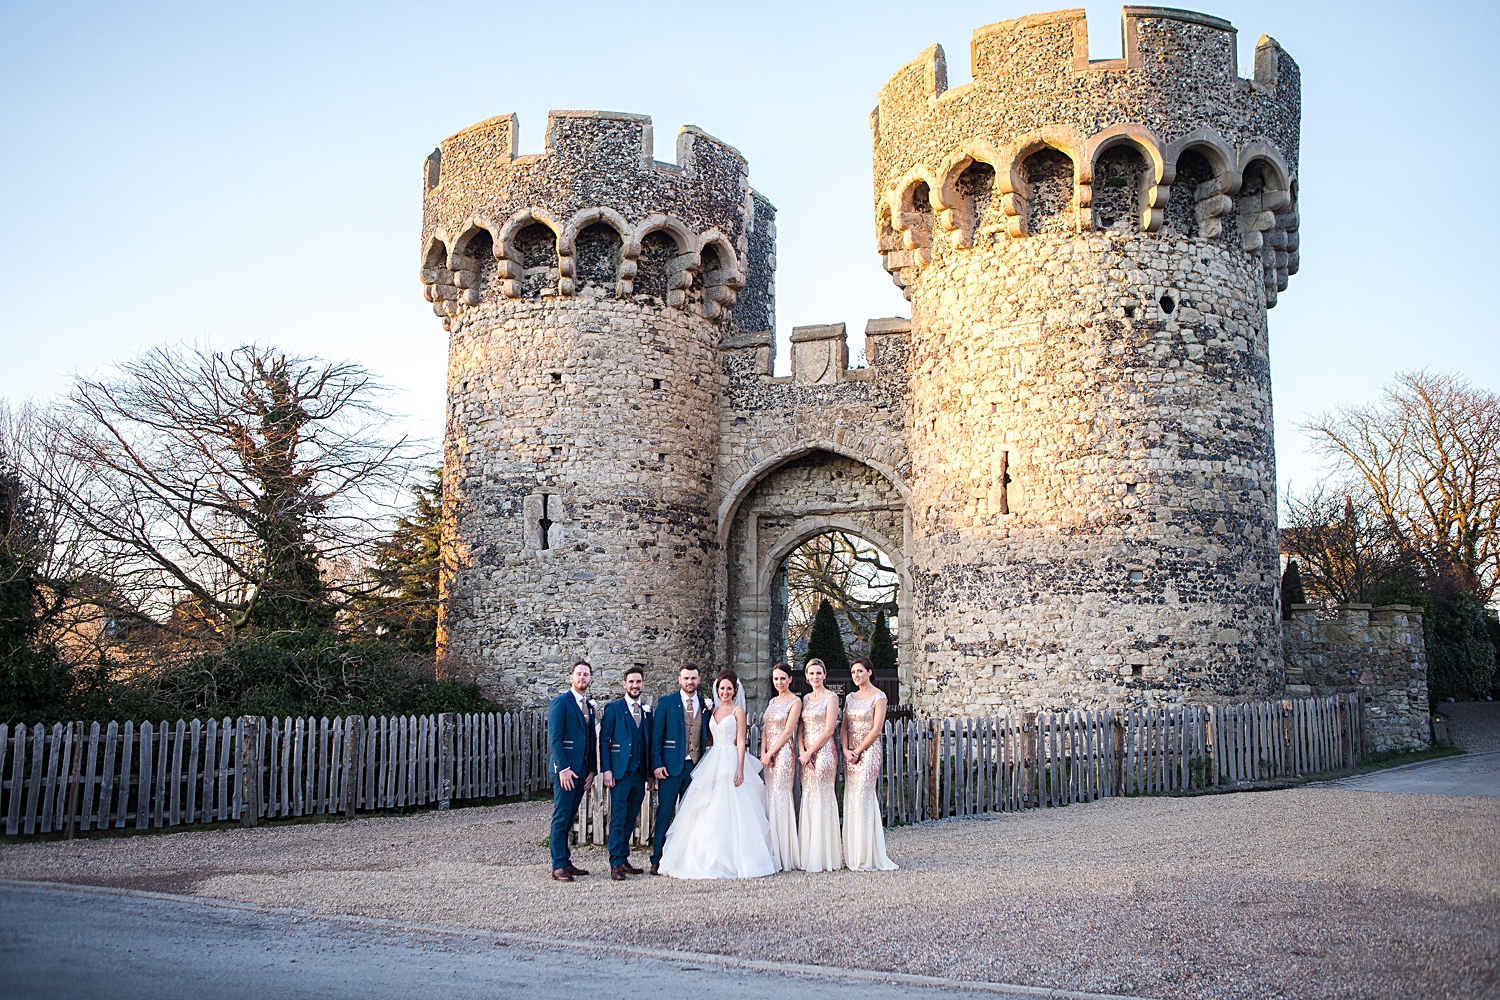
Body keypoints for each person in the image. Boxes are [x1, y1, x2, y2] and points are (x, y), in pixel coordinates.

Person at [658, 669, 776, 879]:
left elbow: (740, 740)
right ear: (717, 690)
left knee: (732, 807)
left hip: (731, 760)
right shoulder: (711, 710)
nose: (725, 692)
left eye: (729, 688)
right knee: (706, 806)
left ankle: (735, 858)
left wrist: (740, 768)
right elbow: (709, 737)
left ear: (734, 690)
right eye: (722, 688)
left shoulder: (737, 711)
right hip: (713, 759)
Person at [649, 663, 711, 876]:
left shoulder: (704, 704)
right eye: (686, 678)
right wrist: (656, 764)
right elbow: (656, 736)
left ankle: (683, 857)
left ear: (699, 680)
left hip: (694, 767)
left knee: (690, 815)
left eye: (693, 678)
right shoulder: (667, 702)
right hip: (670, 767)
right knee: (665, 813)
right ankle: (657, 858)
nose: (690, 682)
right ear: (679, 680)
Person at [841, 657, 897, 871]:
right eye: (854, 672)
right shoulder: (850, 698)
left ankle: (867, 855)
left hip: (869, 751)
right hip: (850, 754)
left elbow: (876, 729)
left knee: (864, 798)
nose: (856, 675)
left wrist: (858, 749)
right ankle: (853, 853)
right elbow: (844, 727)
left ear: (869, 673)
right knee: (852, 798)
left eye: (860, 671)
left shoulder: (879, 697)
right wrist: (846, 750)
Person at [598, 665, 653, 880]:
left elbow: (648, 744)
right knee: (618, 817)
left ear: (643, 684)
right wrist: (607, 770)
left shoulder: (648, 712)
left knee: (631, 817)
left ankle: (623, 857)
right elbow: (604, 740)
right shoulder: (614, 709)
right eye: (631, 682)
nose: (635, 685)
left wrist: (649, 774)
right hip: (620, 773)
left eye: (638, 682)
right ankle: (615, 863)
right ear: (624, 684)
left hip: (640, 774)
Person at [547, 660, 597, 882]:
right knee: (561, 817)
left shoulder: (589, 706)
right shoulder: (561, 703)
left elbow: (591, 740)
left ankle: (566, 861)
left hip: (582, 772)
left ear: (591, 679)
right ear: (571, 678)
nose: (582, 678)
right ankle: (558, 865)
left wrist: (592, 770)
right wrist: (563, 769)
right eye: (579, 674)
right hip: (566, 772)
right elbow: (555, 739)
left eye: (586, 675)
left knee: (569, 818)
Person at [797, 657, 843, 871]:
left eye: (818, 673)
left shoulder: (831, 697)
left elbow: (829, 730)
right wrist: (803, 751)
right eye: (811, 673)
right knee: (809, 796)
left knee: (823, 796)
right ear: (806, 676)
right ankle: (809, 852)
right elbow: (800, 729)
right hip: (806, 753)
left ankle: (825, 855)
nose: (815, 677)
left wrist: (812, 751)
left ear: (824, 675)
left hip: (823, 753)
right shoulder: (805, 699)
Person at [758, 661, 803, 872]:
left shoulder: (795, 702)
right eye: (776, 679)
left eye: (783, 678)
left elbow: (787, 732)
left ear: (790, 679)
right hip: (769, 756)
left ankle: (784, 853)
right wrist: (763, 752)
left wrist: (772, 752)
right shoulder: (772, 701)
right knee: (770, 797)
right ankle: (770, 851)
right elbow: (767, 728)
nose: (779, 682)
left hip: (784, 754)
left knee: (781, 797)